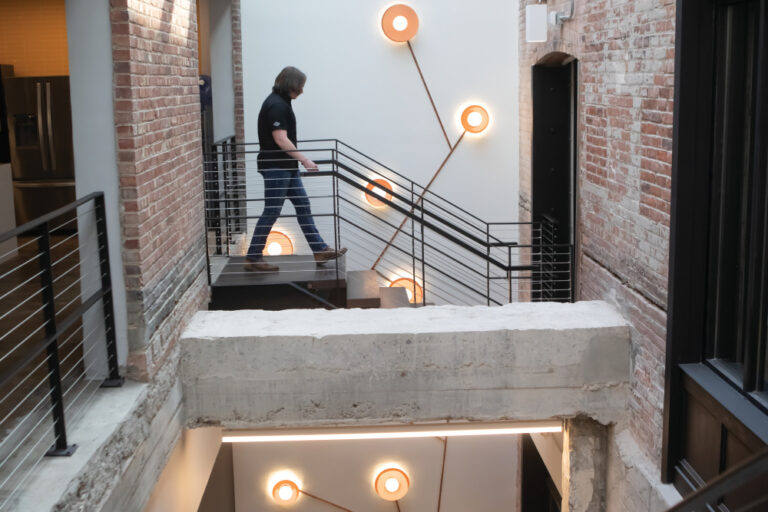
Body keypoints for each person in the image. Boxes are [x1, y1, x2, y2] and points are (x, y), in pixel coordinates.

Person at [244, 66, 346, 272]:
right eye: (301, 86)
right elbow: (280, 139)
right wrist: (305, 160)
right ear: (292, 84)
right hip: (276, 167)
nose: (302, 90)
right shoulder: (276, 105)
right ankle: (253, 257)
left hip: (285, 167)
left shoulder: (281, 103)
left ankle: (319, 250)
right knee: (271, 211)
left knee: (303, 205)